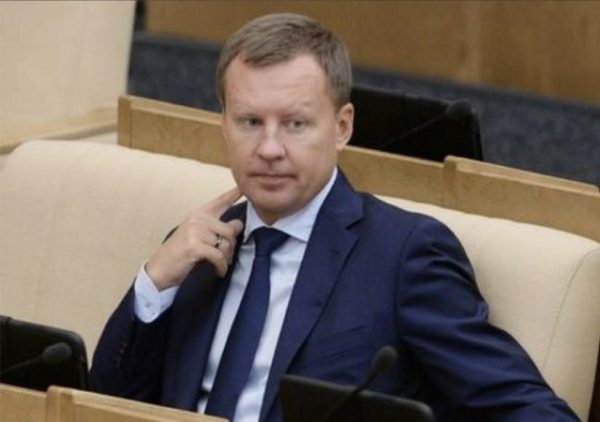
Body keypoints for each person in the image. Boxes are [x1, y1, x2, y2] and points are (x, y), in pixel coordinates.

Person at [90, 13, 578, 422]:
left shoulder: (403, 254)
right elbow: (104, 405)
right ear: (223, 123)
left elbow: (522, 408)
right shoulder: (196, 249)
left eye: (295, 124)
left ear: (342, 127)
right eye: (250, 122)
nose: (269, 149)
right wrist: (155, 284)